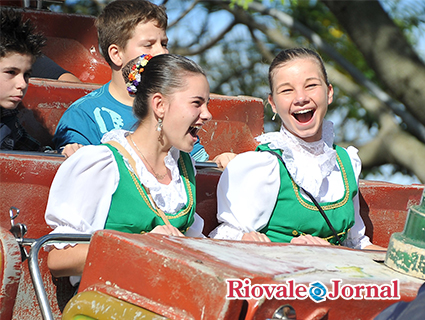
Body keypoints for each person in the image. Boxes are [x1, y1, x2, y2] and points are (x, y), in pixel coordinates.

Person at [45, 53, 211, 284]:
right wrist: (137, 246)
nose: (207, 115)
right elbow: (58, 260)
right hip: (109, 298)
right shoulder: (102, 163)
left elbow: (193, 243)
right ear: (160, 105)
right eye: (197, 103)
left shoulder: (183, 166)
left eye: (207, 104)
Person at [209, 48, 384, 250]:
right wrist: (283, 247)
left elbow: (357, 244)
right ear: (273, 104)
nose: (301, 98)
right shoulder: (263, 166)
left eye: (311, 86)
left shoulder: (347, 163)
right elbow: (224, 238)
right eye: (287, 90)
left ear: (329, 93)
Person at [53, 0, 234, 168]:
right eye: (148, 45)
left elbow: (196, 163)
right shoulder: (83, 115)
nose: (161, 53)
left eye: (163, 44)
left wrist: (219, 161)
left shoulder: (172, 108)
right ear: (116, 54)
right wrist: (71, 151)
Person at [0, 8, 45, 151]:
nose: (23, 84)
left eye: (26, 75)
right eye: (11, 72)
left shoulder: (8, 117)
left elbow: (33, 152)